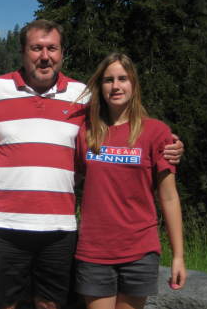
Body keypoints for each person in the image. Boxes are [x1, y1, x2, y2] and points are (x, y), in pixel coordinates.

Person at [0, 20, 184, 309]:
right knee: (4, 304)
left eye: (52, 48)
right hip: (4, 224)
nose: (44, 56)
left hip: (58, 226)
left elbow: (116, 129)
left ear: (62, 53)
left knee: (50, 305)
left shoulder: (82, 96)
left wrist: (167, 144)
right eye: (36, 48)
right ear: (23, 52)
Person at [74, 53, 186, 309]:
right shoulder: (86, 132)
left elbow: (168, 197)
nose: (116, 86)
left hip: (139, 249)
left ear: (133, 84)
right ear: (99, 87)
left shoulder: (156, 132)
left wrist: (178, 256)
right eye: (108, 80)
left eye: (122, 79)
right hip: (94, 250)